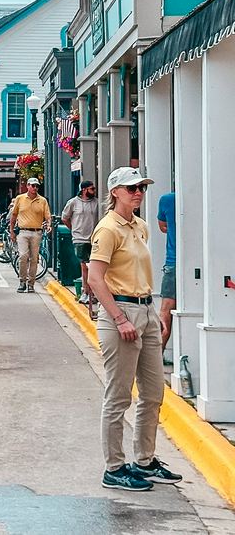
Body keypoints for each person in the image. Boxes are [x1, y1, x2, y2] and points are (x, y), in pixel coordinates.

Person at [87, 167, 182, 492]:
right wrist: (119, 318)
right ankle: (114, 467)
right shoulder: (108, 229)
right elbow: (95, 279)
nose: (138, 192)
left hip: (145, 309)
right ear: (115, 192)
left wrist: (150, 313)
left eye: (140, 186)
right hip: (121, 314)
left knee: (154, 392)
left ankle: (145, 459)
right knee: (118, 396)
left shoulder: (140, 226)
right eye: (131, 188)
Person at [8, 177, 51, 293]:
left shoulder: (42, 201)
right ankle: (22, 281)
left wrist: (49, 224)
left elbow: (47, 216)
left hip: (37, 232)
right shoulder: (20, 199)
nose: (35, 188)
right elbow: (14, 215)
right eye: (33, 185)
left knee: (34, 259)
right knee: (23, 256)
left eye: (37, 186)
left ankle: (31, 283)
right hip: (23, 231)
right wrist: (11, 231)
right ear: (27, 186)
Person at [62, 182, 100, 312]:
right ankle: (86, 291)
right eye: (92, 188)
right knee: (84, 266)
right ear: (84, 190)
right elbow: (65, 218)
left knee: (94, 266)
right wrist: (74, 230)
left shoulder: (96, 203)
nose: (94, 190)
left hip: (94, 238)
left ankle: (92, 292)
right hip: (79, 238)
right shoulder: (73, 203)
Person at [156, 191, 177, 351]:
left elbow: (162, 227)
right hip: (204, 263)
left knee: (166, 311)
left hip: (173, 261)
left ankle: (158, 354)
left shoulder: (167, 199)